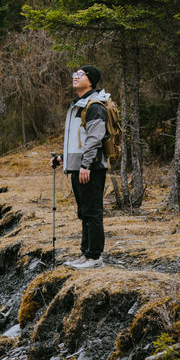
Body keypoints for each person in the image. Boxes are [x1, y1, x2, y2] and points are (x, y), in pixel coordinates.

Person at [53, 65, 109, 269]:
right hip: (80, 167)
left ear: (91, 80)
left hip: (91, 168)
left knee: (92, 212)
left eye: (81, 75)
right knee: (84, 211)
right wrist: (62, 159)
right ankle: (86, 254)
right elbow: (79, 140)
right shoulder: (80, 104)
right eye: (74, 74)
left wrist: (85, 165)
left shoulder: (95, 106)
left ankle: (94, 257)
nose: (75, 77)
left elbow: (94, 138)